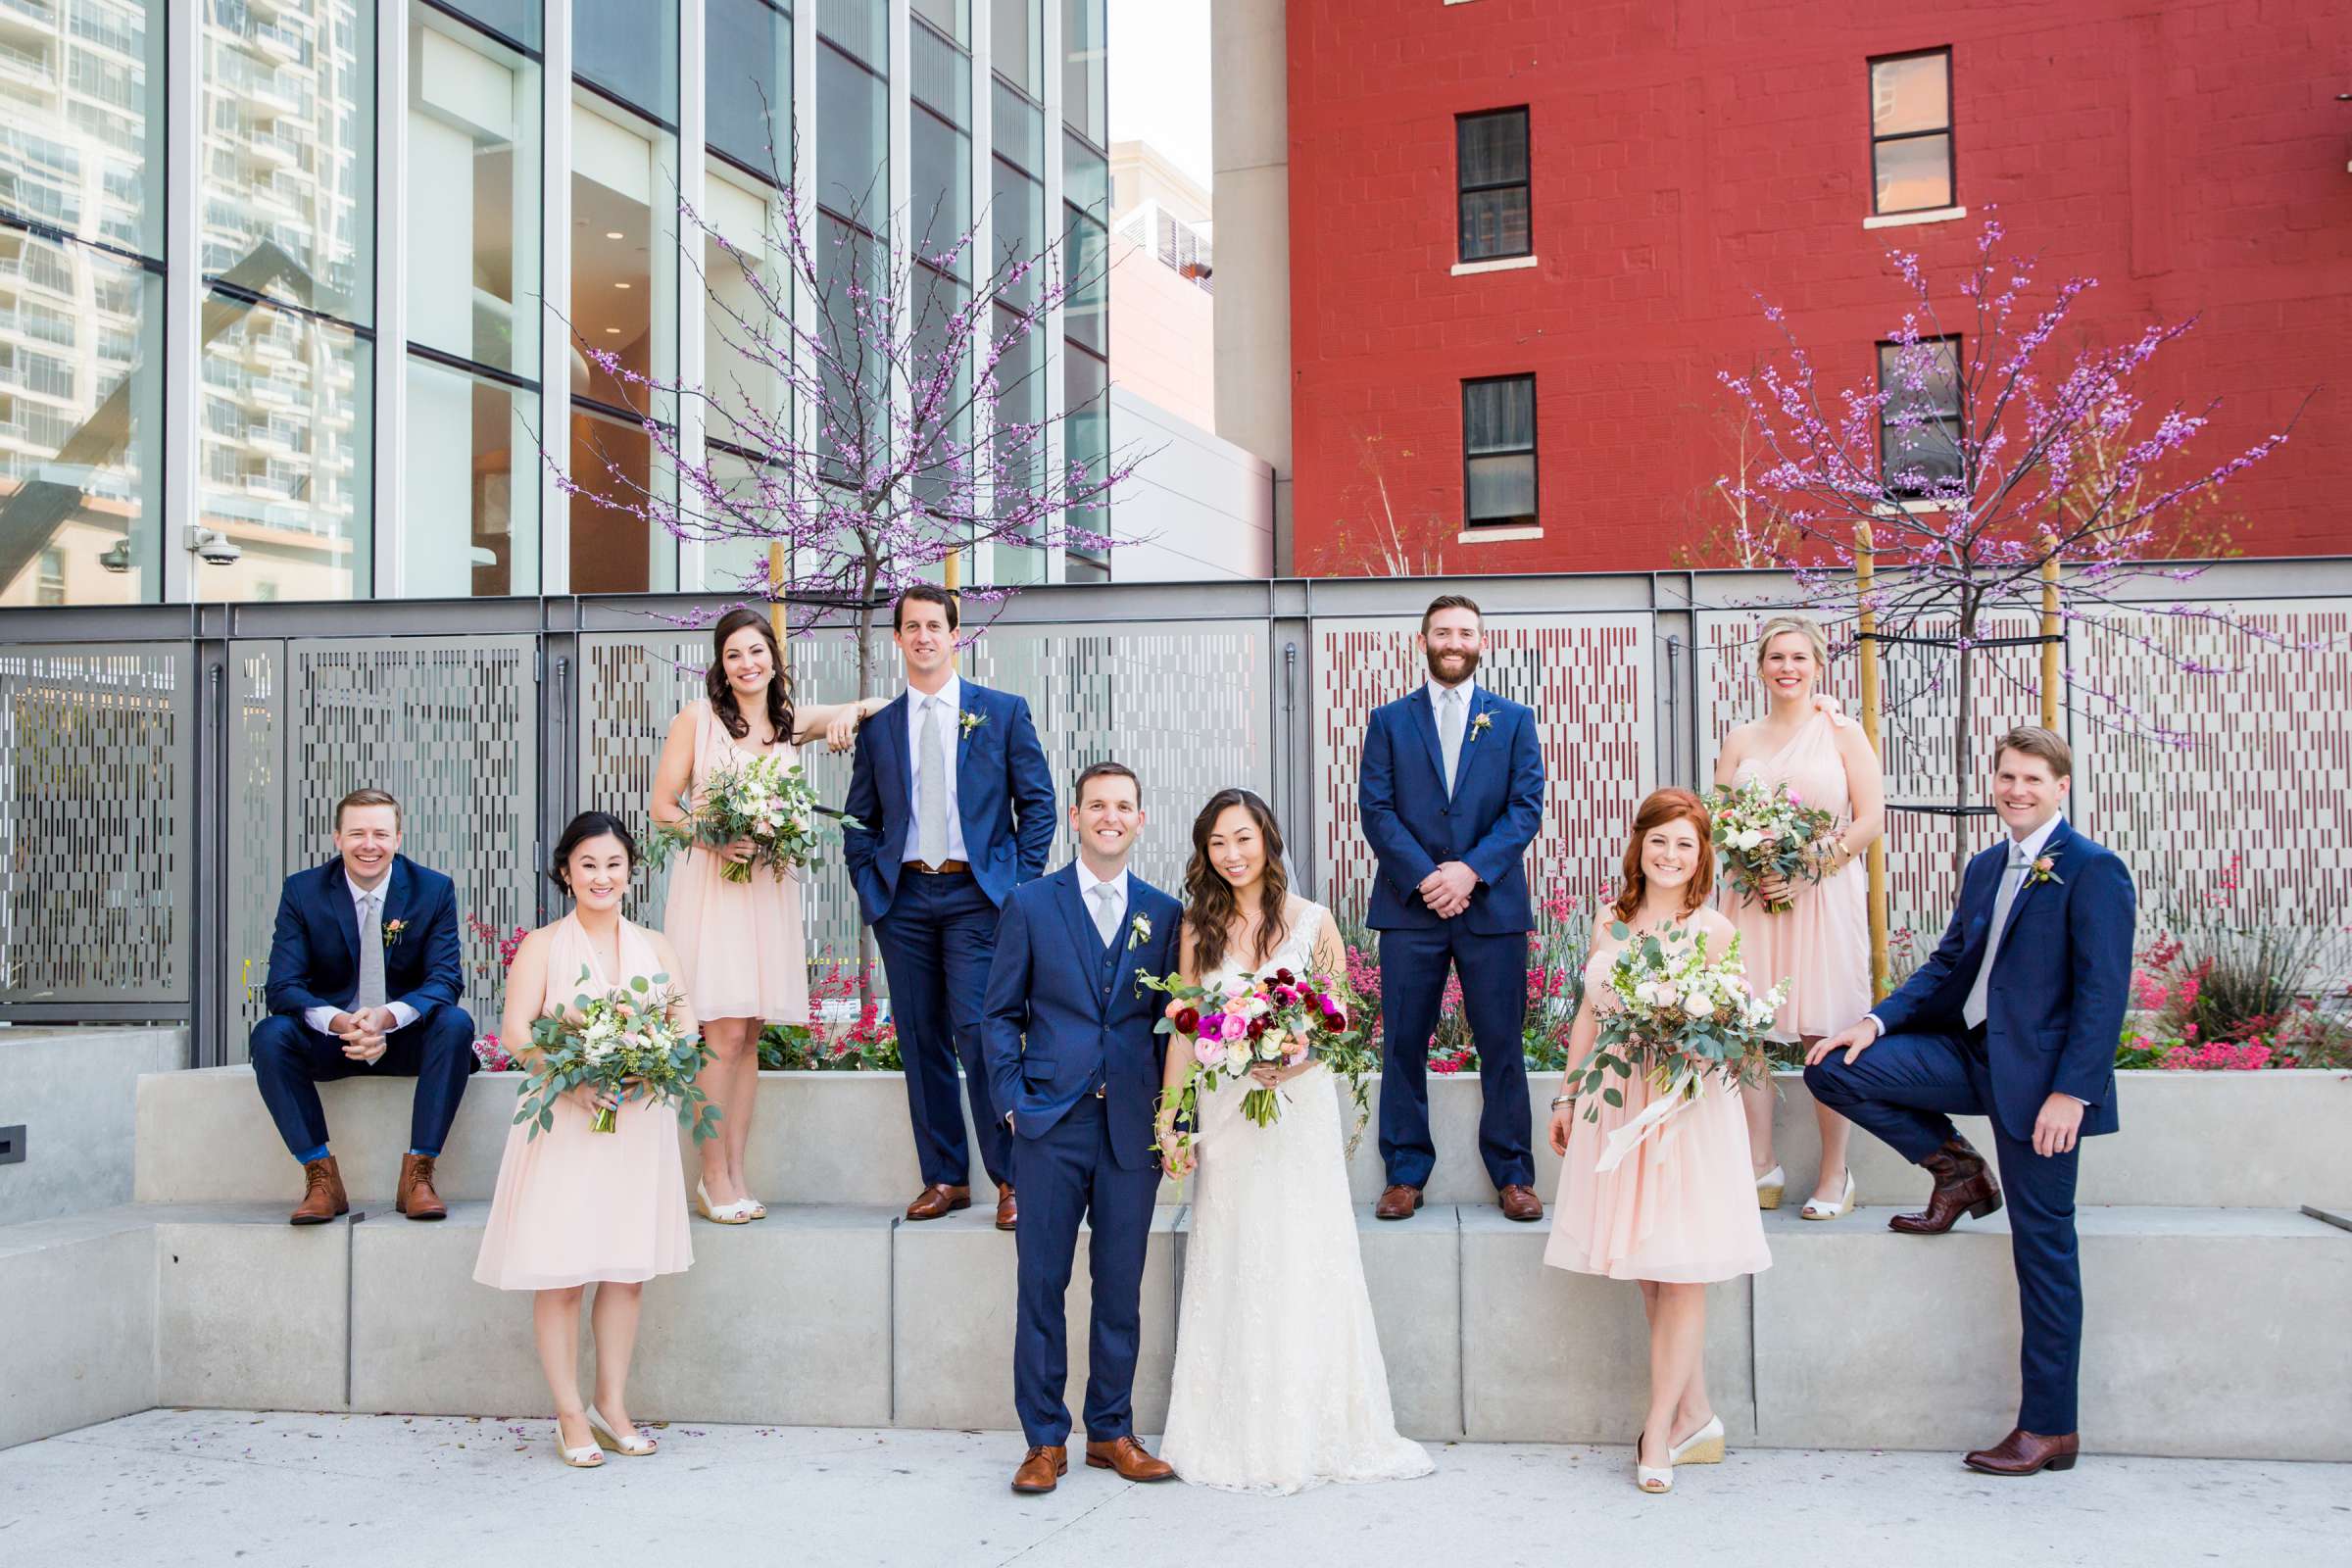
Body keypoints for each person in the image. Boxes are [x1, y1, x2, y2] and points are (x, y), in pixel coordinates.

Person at [1805, 727, 2132, 1478]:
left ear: (2061, 789)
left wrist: (2071, 1094)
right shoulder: (1987, 866)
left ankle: (2050, 1429)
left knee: (2043, 1251)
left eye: (2032, 780)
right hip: (1969, 1055)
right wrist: (1873, 1022)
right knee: (1836, 1070)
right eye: (2007, 777)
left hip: (2043, 1088)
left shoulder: (2093, 870)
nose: (2016, 790)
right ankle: (1957, 1170)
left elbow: (2103, 994)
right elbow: (1952, 962)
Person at [1155, 789, 1432, 1494]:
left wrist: (1292, 1057)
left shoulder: (1314, 922)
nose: (1232, 854)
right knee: (1235, 1251)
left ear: (1268, 841)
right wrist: (1173, 1117)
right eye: (1218, 843)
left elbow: (1340, 1021)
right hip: (1226, 1113)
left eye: (1243, 838)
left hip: (1297, 1109)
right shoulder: (1198, 927)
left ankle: (1316, 1427)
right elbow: (1186, 1026)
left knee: (1306, 1253)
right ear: (1204, 853)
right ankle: (1230, 1430)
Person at [1545, 788, 1771, 1494]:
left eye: (1685, 843)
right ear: (1638, 846)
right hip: (1618, 1108)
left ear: (1701, 855)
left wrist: (1683, 1042)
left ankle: (1657, 1433)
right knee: (1649, 1267)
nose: (1670, 855)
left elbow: (1732, 1035)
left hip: (1684, 1112)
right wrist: (1569, 1090)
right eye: (1659, 841)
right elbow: (1589, 1011)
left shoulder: (1713, 930)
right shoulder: (1610, 925)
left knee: (1681, 1270)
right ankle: (1697, 1414)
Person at [980, 761, 1183, 1494]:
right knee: (1042, 1282)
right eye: (1097, 804)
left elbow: (1176, 1028)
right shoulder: (1031, 904)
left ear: (1139, 820)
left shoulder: (1165, 914)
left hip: (1131, 1126)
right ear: (1074, 816)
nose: (1110, 816)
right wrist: (1011, 1099)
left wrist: (1173, 1115)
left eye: (1123, 805)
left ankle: (1111, 1431)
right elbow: (997, 1014)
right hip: (1048, 1124)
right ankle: (1042, 1439)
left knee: (1120, 1285)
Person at [650, 606, 886, 1223]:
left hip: (767, 891)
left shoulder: (787, 723)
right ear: (721, 668)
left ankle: (735, 1172)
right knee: (721, 1035)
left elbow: (874, 706)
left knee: (749, 1037)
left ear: (773, 659)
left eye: (757, 651)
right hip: (715, 887)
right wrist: (716, 837)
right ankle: (710, 1178)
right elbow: (662, 808)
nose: (747, 664)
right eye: (734, 655)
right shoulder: (695, 721)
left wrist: (842, 723)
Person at [473, 812, 696, 1468]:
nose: (602, 876)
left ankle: (611, 1404)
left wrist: (648, 1060)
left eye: (614, 864)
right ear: (566, 871)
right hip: (565, 1121)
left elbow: (684, 1031)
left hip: (636, 1119)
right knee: (563, 1274)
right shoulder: (543, 945)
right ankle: (569, 1413)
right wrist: (572, 1083)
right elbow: (518, 1032)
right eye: (589, 864)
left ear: (631, 871)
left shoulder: (657, 945)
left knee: (626, 1273)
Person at [845, 584, 1055, 1229]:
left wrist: (1016, 886)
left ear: (954, 634)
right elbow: (860, 819)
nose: (924, 637)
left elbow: (1038, 807)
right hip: (903, 899)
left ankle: (1012, 1179)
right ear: (899, 639)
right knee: (920, 1038)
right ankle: (944, 1178)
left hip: (978, 898)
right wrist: (870, 886)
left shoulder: (1002, 712)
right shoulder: (878, 728)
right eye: (911, 627)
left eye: (934, 626)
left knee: (980, 1033)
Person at [1357, 593, 1546, 1223]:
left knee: (1502, 1043)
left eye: (1465, 632)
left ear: (1481, 643)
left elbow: (1525, 809)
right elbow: (1376, 811)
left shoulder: (1514, 721)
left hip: (1491, 908)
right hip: (1411, 909)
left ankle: (1514, 1173)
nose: (1454, 642)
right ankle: (1405, 1173)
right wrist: (1427, 877)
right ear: (1423, 641)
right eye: (1443, 632)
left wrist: (1469, 871)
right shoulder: (1388, 721)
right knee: (1403, 1045)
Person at [1712, 614, 1884, 1219]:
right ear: (1760, 667)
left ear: (1818, 665)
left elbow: (1869, 820)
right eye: (1776, 658)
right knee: (1745, 1031)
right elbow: (1721, 820)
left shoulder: (1843, 733)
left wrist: (1810, 862)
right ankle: (1761, 1165)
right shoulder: (1740, 739)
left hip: (1824, 896)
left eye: (1799, 658)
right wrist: (1752, 860)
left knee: (1825, 1030)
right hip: (1753, 898)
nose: (1788, 668)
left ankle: (1836, 1174)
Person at [250, 788, 475, 1226]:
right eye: (356, 833)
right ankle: (320, 1177)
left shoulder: (433, 890)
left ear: (399, 838)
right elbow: (282, 986)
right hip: (332, 1041)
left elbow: (446, 980)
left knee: (454, 1023)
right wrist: (338, 1020)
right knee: (270, 1034)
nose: (368, 845)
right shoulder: (303, 891)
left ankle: (420, 1173)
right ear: (337, 838)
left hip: (403, 1040)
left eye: (380, 833)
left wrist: (388, 1017)